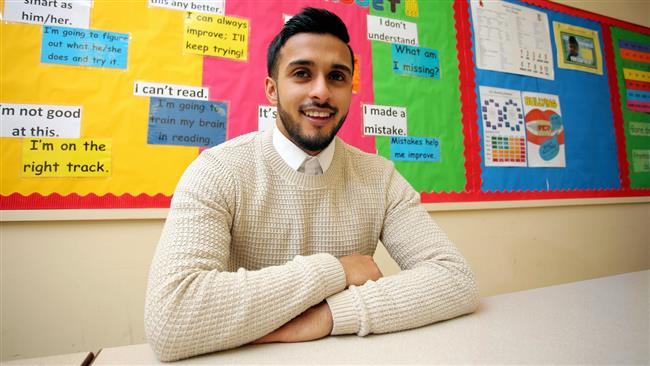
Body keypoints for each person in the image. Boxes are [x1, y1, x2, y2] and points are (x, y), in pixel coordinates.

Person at [145, 7, 479, 362]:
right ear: (272, 90)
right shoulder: (217, 171)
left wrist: (331, 316)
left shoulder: (380, 178)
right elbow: (171, 318)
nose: (321, 92)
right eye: (302, 74)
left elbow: (455, 279)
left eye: (337, 77)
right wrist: (338, 269)